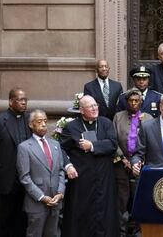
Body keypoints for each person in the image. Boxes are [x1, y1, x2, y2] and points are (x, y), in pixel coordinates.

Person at [60, 95, 119, 237]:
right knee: (82, 212)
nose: (94, 108)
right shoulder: (71, 127)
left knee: (104, 212)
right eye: (90, 106)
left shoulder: (105, 123)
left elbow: (112, 144)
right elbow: (60, 149)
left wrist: (92, 145)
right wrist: (68, 166)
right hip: (82, 179)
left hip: (104, 177)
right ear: (81, 110)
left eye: (95, 105)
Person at [16, 109, 65, 237]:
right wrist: (41, 197)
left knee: (53, 234)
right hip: (36, 203)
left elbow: (60, 170)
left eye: (45, 121)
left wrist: (60, 192)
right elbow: (24, 177)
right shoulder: (25, 147)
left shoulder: (55, 144)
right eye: (39, 121)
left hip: (55, 201)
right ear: (31, 125)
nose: (44, 124)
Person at [113, 89, 153, 236]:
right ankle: (121, 231)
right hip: (121, 165)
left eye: (137, 101)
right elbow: (113, 140)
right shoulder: (118, 117)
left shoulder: (148, 118)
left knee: (140, 199)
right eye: (131, 101)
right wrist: (123, 159)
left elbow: (151, 141)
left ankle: (138, 230)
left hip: (141, 166)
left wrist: (140, 161)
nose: (134, 103)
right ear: (126, 102)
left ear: (141, 102)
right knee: (121, 201)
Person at [0, 88, 30, 237]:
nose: (24, 102)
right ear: (10, 101)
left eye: (25, 99)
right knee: (5, 219)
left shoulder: (30, 119)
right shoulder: (0, 121)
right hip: (7, 178)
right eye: (20, 99)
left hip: (26, 178)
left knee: (23, 218)